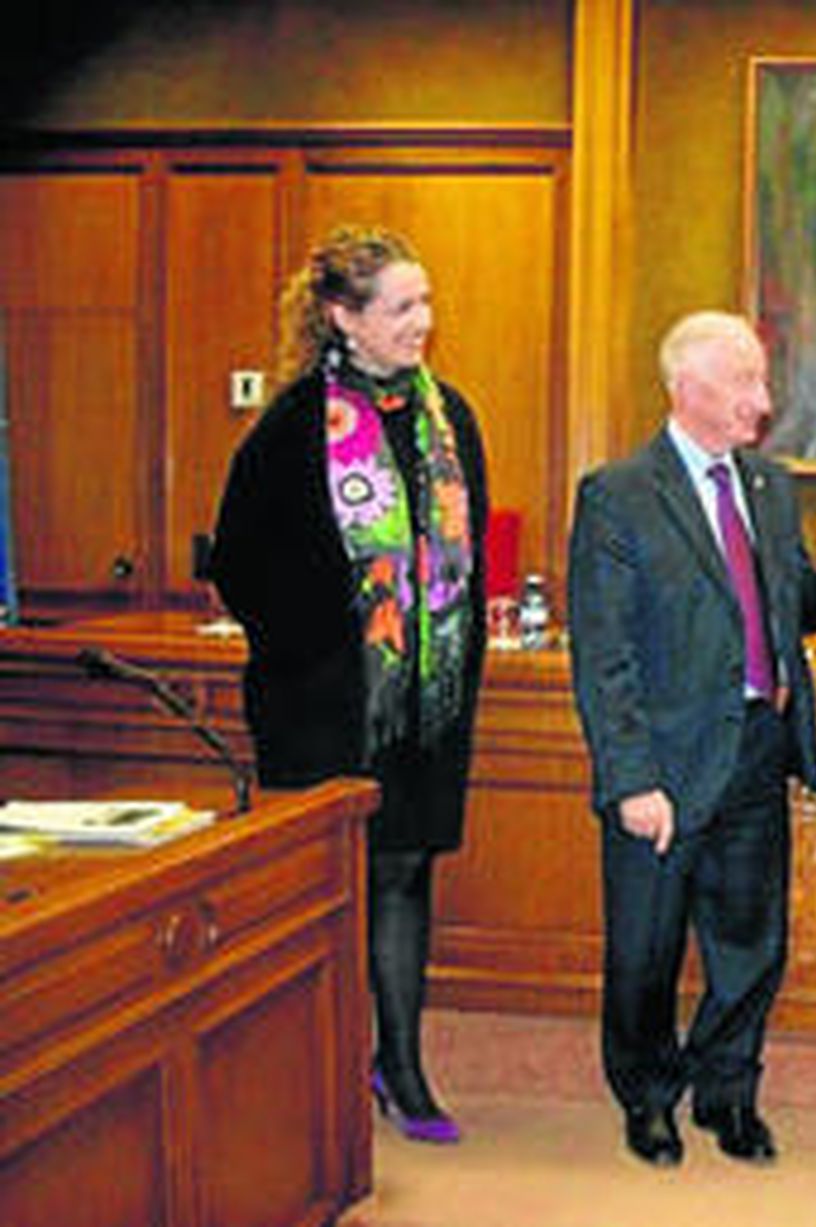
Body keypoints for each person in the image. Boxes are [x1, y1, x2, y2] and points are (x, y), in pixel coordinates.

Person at [567, 310, 816, 1169]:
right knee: (646, 949)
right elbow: (605, 656)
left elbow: (783, 597)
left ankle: (727, 1093)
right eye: (745, 382)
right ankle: (648, 1094)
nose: (763, 401)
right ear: (687, 386)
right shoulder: (618, 494)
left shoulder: (770, 487)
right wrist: (631, 780)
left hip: (755, 748)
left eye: (761, 380)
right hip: (662, 766)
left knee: (752, 943)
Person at [210, 224, 488, 1145]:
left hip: (425, 711)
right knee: (328, 887)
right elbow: (243, 566)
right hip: (319, 707)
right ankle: (316, 1073)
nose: (425, 321)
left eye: (427, 302)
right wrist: (331, 651)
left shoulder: (452, 418)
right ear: (345, 318)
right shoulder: (294, 426)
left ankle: (401, 1067)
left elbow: (467, 566)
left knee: (405, 875)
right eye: (405, 306)